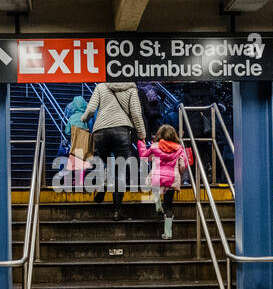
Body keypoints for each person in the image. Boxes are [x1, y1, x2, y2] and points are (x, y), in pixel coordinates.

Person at [83, 81, 146, 221]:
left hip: (100, 130)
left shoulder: (100, 86)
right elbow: (136, 114)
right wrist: (142, 134)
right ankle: (117, 211)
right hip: (121, 130)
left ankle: (102, 185)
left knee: (101, 162)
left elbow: (91, 109)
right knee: (121, 171)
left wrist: (83, 118)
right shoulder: (131, 88)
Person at [137, 124, 188, 240]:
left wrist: (141, 142)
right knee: (169, 206)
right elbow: (183, 166)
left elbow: (144, 157)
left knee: (154, 186)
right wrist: (180, 172)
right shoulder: (179, 148)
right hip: (171, 178)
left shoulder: (155, 147)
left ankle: (157, 202)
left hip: (157, 177)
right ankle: (168, 233)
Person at [65, 94, 94, 190]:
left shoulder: (72, 117)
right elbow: (89, 129)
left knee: (73, 161)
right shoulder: (85, 117)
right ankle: (80, 181)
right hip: (84, 144)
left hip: (74, 144)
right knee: (82, 162)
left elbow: (67, 132)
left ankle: (72, 181)